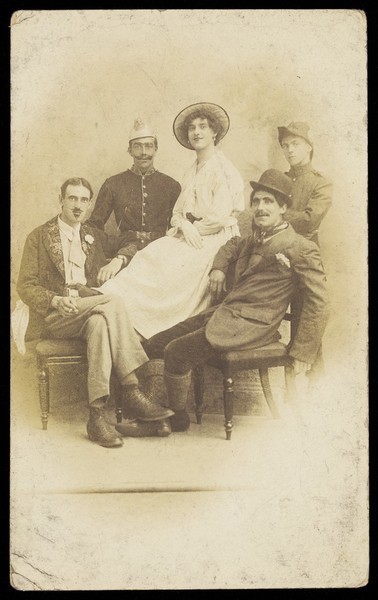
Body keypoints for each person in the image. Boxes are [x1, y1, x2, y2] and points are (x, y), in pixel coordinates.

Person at [133, 169, 330, 435]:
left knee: (176, 351)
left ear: (284, 207)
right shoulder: (252, 239)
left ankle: (174, 420)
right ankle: (152, 411)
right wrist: (219, 268)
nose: (260, 208)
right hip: (225, 315)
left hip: (253, 327)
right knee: (154, 343)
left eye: (269, 202)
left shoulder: (300, 247)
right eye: (257, 201)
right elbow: (230, 246)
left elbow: (318, 303)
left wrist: (302, 352)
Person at [16, 178, 173, 448]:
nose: (78, 206)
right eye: (72, 198)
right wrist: (54, 300)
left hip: (88, 312)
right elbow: (25, 286)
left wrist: (118, 259)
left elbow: (130, 241)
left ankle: (96, 416)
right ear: (61, 199)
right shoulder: (39, 237)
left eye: (83, 200)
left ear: (89, 205)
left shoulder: (93, 235)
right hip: (55, 316)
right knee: (112, 302)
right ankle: (132, 388)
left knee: (101, 323)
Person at [97, 102, 245, 340]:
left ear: (214, 132)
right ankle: (111, 300)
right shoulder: (192, 170)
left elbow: (219, 216)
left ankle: (150, 326)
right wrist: (184, 225)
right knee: (151, 255)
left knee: (172, 266)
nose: (196, 132)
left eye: (203, 127)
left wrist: (193, 228)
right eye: (192, 128)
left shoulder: (223, 169)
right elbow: (177, 212)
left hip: (215, 238)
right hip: (191, 232)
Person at [87, 118, 181, 285]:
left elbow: (177, 228)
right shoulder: (113, 184)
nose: (143, 152)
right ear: (129, 150)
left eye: (148, 146)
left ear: (156, 149)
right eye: (137, 146)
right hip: (123, 254)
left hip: (160, 255)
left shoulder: (172, 186)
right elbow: (94, 226)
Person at [278, 121, 332, 245]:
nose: (290, 150)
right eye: (285, 146)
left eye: (295, 144)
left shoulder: (322, 182)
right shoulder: (280, 179)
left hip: (305, 251)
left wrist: (274, 216)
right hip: (275, 247)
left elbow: (308, 220)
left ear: (309, 147)